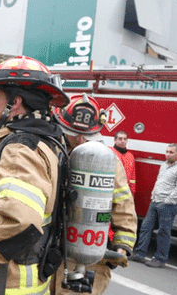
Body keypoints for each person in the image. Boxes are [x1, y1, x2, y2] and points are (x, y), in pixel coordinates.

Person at [0, 54, 69, 295]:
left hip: (3, 284)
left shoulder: (19, 150)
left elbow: (21, 221)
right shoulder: (45, 141)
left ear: (14, 102)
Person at [52, 94, 137, 294]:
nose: (80, 139)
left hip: (90, 250)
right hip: (53, 249)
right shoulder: (54, 153)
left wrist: (122, 244)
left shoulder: (106, 162)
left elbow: (124, 204)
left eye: (85, 134)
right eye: (73, 133)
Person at [129, 144, 177, 268]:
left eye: (171, 152)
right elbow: (159, 182)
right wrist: (154, 197)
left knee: (163, 231)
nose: (168, 154)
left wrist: (167, 201)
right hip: (155, 201)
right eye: (167, 152)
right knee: (146, 228)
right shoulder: (164, 165)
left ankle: (160, 258)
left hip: (169, 205)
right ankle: (139, 253)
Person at [111, 130, 136, 196]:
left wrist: (132, 192)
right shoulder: (110, 152)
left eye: (125, 139)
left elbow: (132, 177)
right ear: (115, 140)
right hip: (111, 190)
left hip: (124, 193)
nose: (123, 141)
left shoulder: (130, 156)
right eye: (120, 139)